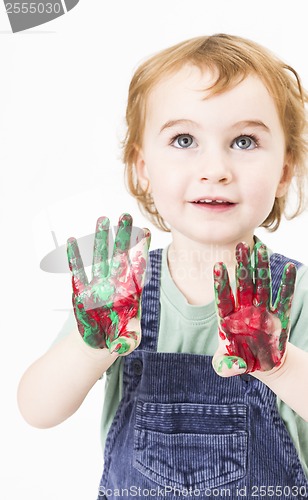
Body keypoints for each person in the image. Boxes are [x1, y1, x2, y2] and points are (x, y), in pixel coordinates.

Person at [17, 34, 308, 499]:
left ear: (285, 171)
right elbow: (37, 408)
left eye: (245, 140)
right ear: (142, 168)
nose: (215, 168)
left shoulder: (295, 293)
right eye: (184, 139)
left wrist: (278, 366)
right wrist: (92, 348)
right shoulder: (118, 293)